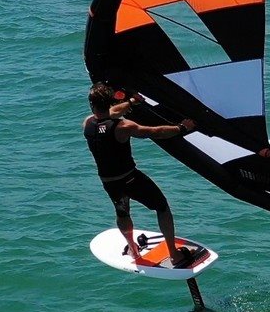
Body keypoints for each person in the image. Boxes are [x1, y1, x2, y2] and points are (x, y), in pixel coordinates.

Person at [83, 82, 196, 265]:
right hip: (131, 180)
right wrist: (181, 128)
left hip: (110, 183)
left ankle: (133, 250)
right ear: (110, 102)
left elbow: (109, 114)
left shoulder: (87, 124)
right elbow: (155, 132)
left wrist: (130, 103)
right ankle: (174, 254)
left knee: (122, 213)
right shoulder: (123, 127)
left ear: (92, 104)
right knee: (162, 207)